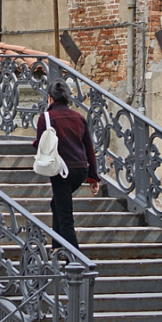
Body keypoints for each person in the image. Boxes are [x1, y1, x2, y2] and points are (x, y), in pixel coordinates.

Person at [33, 80, 100, 251]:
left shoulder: (46, 118)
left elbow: (42, 144)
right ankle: (57, 247)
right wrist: (93, 177)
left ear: (49, 98)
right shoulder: (79, 117)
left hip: (61, 170)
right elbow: (89, 148)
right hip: (81, 170)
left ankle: (75, 261)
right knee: (57, 204)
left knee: (65, 216)